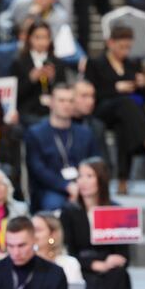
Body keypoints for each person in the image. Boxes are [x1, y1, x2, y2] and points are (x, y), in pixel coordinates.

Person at [60, 158, 132, 289]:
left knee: (120, 278)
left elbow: (124, 255)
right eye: (80, 176)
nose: (82, 181)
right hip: (84, 274)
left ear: (101, 180)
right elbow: (69, 251)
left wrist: (109, 263)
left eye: (89, 176)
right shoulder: (70, 212)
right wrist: (96, 263)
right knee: (116, 286)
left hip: (110, 277)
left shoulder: (116, 210)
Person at [84, 26, 145, 195]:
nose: (125, 51)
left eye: (128, 47)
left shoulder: (133, 64)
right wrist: (116, 88)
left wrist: (142, 85)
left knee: (124, 127)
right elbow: (91, 93)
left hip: (127, 114)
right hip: (103, 110)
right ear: (110, 43)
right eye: (121, 47)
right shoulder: (96, 63)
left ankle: (123, 179)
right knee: (125, 103)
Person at [25, 83, 98, 211]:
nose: (66, 105)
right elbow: (38, 170)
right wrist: (66, 186)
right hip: (50, 189)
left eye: (70, 101)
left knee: (112, 207)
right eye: (61, 100)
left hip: (83, 186)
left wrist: (83, 185)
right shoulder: (36, 133)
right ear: (51, 103)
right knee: (55, 205)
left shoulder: (85, 133)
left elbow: (96, 163)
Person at [11, 20, 67, 127]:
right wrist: (31, 79)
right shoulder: (19, 62)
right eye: (37, 37)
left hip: (53, 110)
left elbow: (64, 89)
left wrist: (52, 80)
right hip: (28, 111)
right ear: (29, 39)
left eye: (45, 37)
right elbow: (14, 94)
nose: (42, 42)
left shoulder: (58, 63)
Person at [71, 80, 108, 163]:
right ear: (70, 97)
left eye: (92, 96)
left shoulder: (97, 126)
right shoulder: (56, 123)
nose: (91, 101)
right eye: (84, 96)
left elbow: (104, 162)